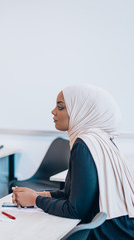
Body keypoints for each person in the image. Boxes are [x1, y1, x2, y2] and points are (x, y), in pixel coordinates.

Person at [12, 84, 134, 239]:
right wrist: (43, 194)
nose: (53, 111)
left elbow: (75, 210)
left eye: (61, 107)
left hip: (107, 233)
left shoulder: (83, 145)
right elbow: (76, 195)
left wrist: (35, 200)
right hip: (120, 228)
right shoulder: (99, 139)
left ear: (81, 112)